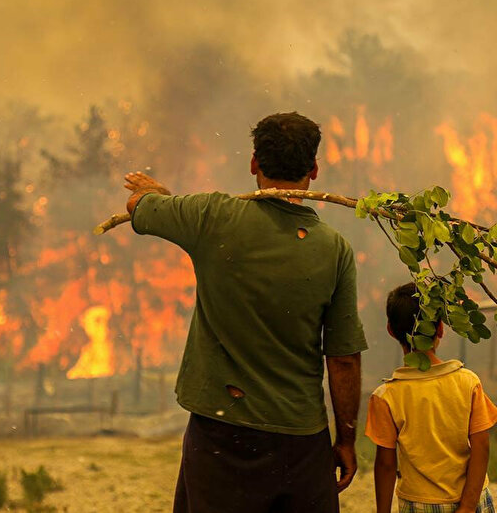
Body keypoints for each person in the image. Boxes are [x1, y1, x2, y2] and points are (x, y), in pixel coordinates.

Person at [123, 111, 368, 513]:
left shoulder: (211, 217)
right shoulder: (334, 249)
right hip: (300, 439)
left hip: (220, 434)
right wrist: (344, 439)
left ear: (254, 163)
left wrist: (156, 194)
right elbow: (342, 359)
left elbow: (139, 206)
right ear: (314, 170)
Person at [365, 283, 497, 513]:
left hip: (418, 505)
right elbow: (481, 447)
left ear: (390, 330)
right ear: (440, 328)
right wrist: (467, 507)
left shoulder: (386, 397)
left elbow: (387, 465)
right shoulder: (468, 382)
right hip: (471, 501)